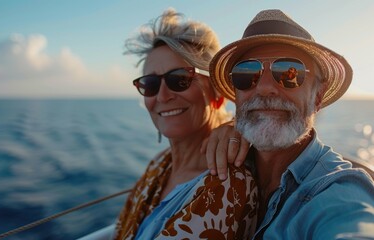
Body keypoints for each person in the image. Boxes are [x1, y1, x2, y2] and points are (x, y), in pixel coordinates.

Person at [206, 9, 374, 239]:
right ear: (236, 93)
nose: (264, 87)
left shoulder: (339, 192)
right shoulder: (224, 163)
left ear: (318, 97)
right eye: (246, 74)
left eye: (287, 72)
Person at [112, 9, 258, 240]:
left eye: (179, 79)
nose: (162, 96)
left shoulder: (226, 182)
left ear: (217, 93)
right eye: (149, 84)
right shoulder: (160, 164)